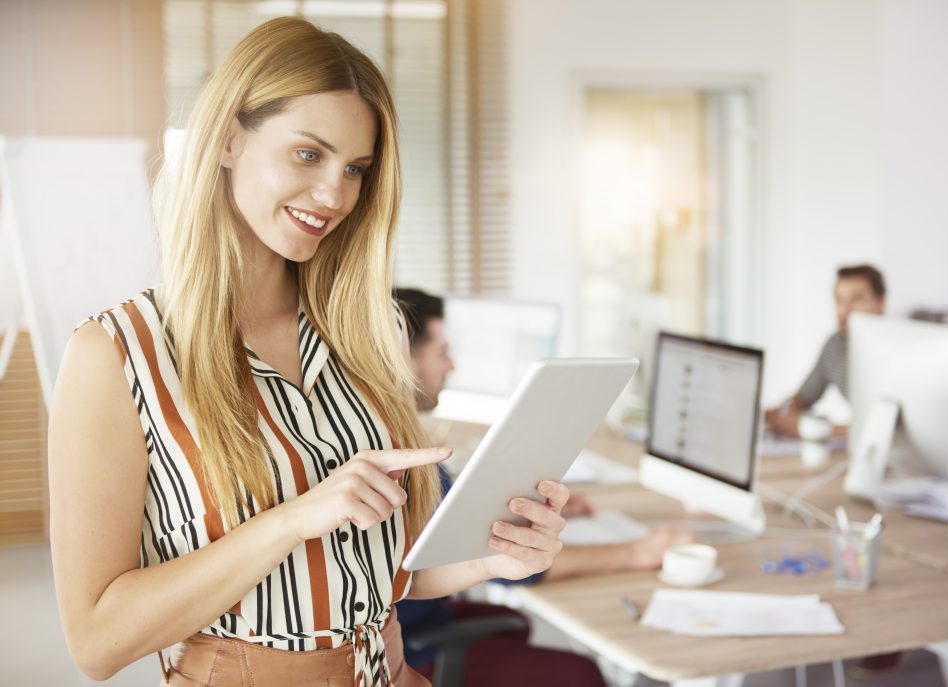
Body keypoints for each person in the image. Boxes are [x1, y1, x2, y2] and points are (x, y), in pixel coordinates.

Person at [47, 18, 569, 687]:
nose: (334, 195)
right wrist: (292, 519)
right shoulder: (117, 354)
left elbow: (381, 565)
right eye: (308, 155)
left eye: (355, 169)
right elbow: (95, 641)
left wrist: (491, 557)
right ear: (230, 139)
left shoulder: (367, 329)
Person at [392, 288, 696, 684]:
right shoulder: (405, 458)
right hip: (411, 650)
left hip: (421, 617)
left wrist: (513, 499)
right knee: (580, 673)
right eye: (442, 352)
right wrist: (638, 552)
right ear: (405, 358)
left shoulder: (404, 436)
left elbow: (453, 521)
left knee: (513, 625)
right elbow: (507, 560)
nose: (452, 365)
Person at [764, 264, 887, 438]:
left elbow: (889, 430)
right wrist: (777, 415)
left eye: (856, 300)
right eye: (839, 301)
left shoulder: (896, 354)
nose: (845, 310)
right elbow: (803, 398)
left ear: (880, 303)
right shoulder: (835, 346)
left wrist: (813, 429)